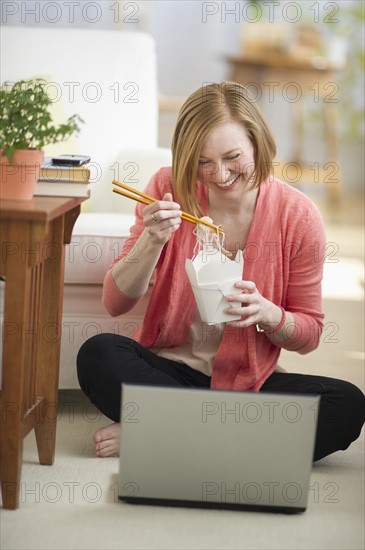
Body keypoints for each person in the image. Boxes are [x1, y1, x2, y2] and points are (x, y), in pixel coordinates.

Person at [77, 81, 364, 459]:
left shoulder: (298, 215)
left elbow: (308, 334)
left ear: (257, 142)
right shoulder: (168, 186)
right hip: (171, 373)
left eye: (232, 157)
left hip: (248, 384)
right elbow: (115, 303)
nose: (220, 174)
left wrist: (269, 314)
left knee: (347, 404)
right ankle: (214, 435)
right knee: (98, 354)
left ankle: (159, 428)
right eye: (203, 161)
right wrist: (152, 239)